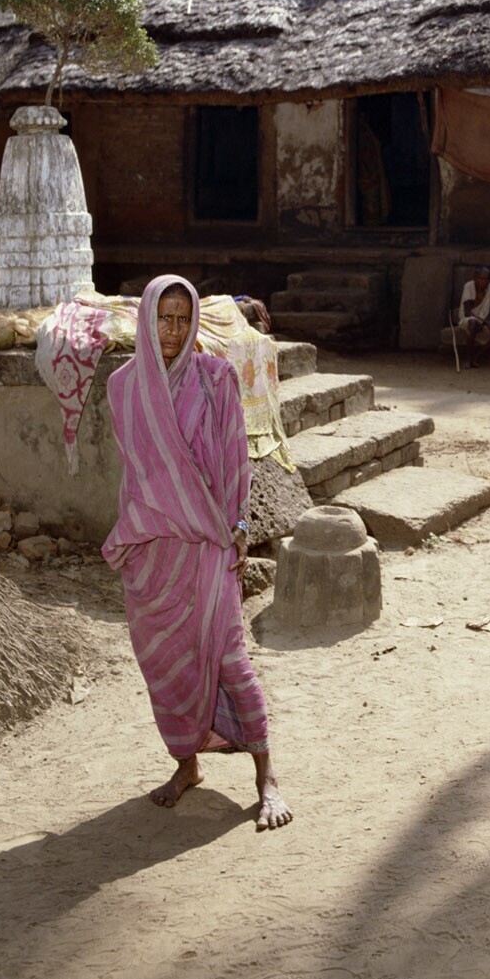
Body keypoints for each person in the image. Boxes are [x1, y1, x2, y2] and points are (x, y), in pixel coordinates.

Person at [102, 274, 293, 830]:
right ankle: (187, 765)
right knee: (166, 661)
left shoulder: (215, 377)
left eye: (183, 319)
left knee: (231, 658)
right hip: (153, 548)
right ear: (146, 319)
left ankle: (266, 776)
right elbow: (136, 471)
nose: (173, 329)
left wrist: (239, 525)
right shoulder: (122, 386)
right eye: (164, 318)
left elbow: (235, 456)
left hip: (209, 538)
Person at [457, 265, 490, 368]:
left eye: (486, 279)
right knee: (473, 322)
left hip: (483, 318)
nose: (483, 282)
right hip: (468, 319)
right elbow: (467, 312)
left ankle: (476, 356)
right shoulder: (469, 286)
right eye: (480, 279)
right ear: (475, 278)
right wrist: (484, 323)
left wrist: (485, 322)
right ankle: (468, 358)